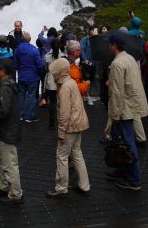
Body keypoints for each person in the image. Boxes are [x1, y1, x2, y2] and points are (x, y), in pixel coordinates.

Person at [106, 33, 148, 191]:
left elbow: (117, 92)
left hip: (124, 108)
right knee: (121, 142)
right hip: (132, 104)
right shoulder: (130, 58)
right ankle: (122, 170)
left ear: (113, 45)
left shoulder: (117, 64)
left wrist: (115, 115)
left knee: (128, 143)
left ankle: (135, 180)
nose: (108, 46)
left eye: (109, 44)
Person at [46, 58, 90, 197]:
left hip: (70, 126)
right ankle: (84, 185)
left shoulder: (64, 87)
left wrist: (61, 131)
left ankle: (61, 187)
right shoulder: (71, 82)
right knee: (77, 153)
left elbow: (64, 113)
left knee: (62, 155)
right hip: (79, 123)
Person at [0, 59, 23, 205]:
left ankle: (15, 194)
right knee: (1, 160)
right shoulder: (9, 86)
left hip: (7, 131)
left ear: (3, 71)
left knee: (9, 164)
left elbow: (3, 111)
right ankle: (5, 187)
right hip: (6, 131)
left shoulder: (4, 89)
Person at [13, 32, 43, 123]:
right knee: (31, 96)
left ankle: (21, 115)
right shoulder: (34, 49)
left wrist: (20, 69)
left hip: (22, 76)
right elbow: (40, 64)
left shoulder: (17, 49)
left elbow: (15, 64)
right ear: (30, 39)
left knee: (21, 96)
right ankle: (29, 116)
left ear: (22, 39)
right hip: (33, 77)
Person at [44, 38, 65, 129]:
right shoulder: (63, 56)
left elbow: (46, 68)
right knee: (61, 102)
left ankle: (51, 123)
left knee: (52, 102)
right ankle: (61, 121)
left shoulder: (47, 56)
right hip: (60, 81)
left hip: (51, 82)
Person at [80, 27, 96, 104]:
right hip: (86, 62)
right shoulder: (85, 39)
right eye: (92, 30)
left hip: (94, 62)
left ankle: (87, 95)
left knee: (91, 79)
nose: (94, 32)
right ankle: (87, 96)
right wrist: (85, 59)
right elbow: (82, 49)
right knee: (86, 79)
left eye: (95, 30)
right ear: (89, 31)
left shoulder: (96, 39)